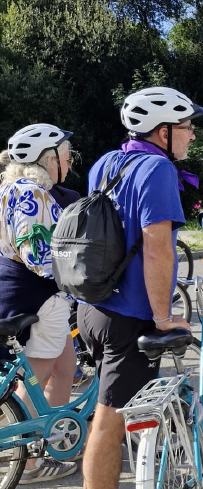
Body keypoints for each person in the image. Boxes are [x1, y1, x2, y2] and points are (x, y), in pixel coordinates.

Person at [78, 87, 200, 489]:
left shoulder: (106, 163)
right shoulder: (157, 169)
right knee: (107, 422)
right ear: (161, 132)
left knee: (119, 412)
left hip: (94, 306)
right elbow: (156, 248)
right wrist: (164, 317)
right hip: (129, 316)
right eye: (186, 127)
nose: (192, 135)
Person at [0, 124, 79, 482]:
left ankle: (54, 436)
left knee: (65, 365)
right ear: (49, 160)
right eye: (66, 156)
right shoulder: (35, 195)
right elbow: (39, 257)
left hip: (17, 287)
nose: (70, 162)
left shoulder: (10, 188)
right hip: (40, 294)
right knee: (38, 375)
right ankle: (28, 461)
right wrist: (82, 278)